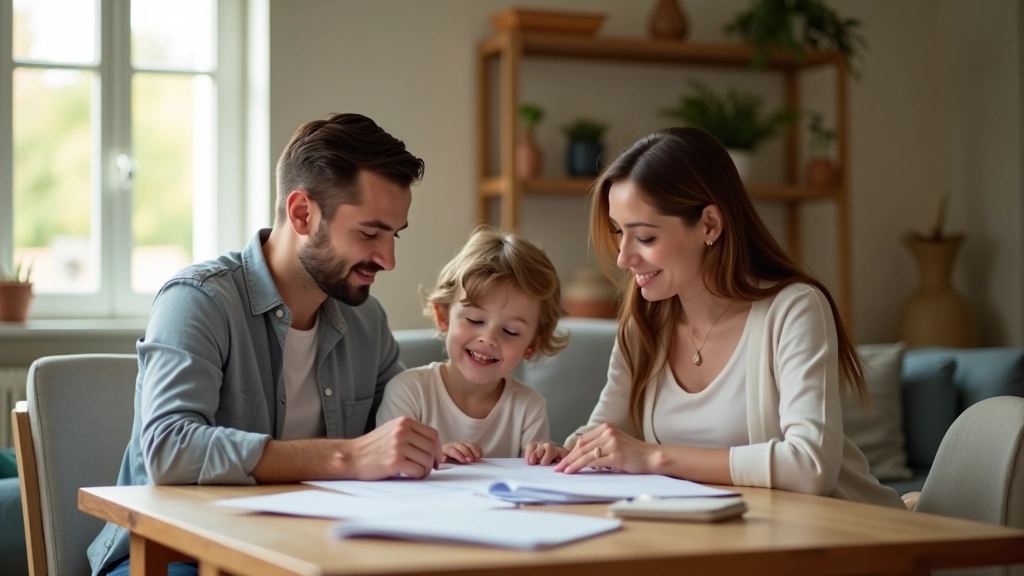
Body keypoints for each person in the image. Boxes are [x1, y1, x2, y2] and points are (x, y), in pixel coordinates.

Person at [90, 113, 444, 576]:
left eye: (393, 235)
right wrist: (347, 457)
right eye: (369, 233)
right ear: (302, 214)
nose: (389, 259)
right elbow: (169, 450)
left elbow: (398, 432)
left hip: (310, 554)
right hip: (174, 558)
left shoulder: (367, 320)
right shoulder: (198, 301)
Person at [553, 127, 904, 509]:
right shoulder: (644, 327)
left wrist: (655, 457)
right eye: (619, 232)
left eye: (645, 237)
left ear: (709, 225)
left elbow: (810, 465)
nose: (623, 258)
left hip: (849, 538)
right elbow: (609, 432)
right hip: (729, 539)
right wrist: (565, 454)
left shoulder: (794, 310)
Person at [377, 226, 570, 465]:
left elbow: (535, 480)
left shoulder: (529, 406)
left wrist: (547, 458)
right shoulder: (409, 391)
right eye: (475, 320)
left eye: (510, 331)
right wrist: (434, 458)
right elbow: (387, 466)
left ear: (531, 345)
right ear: (443, 316)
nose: (488, 339)